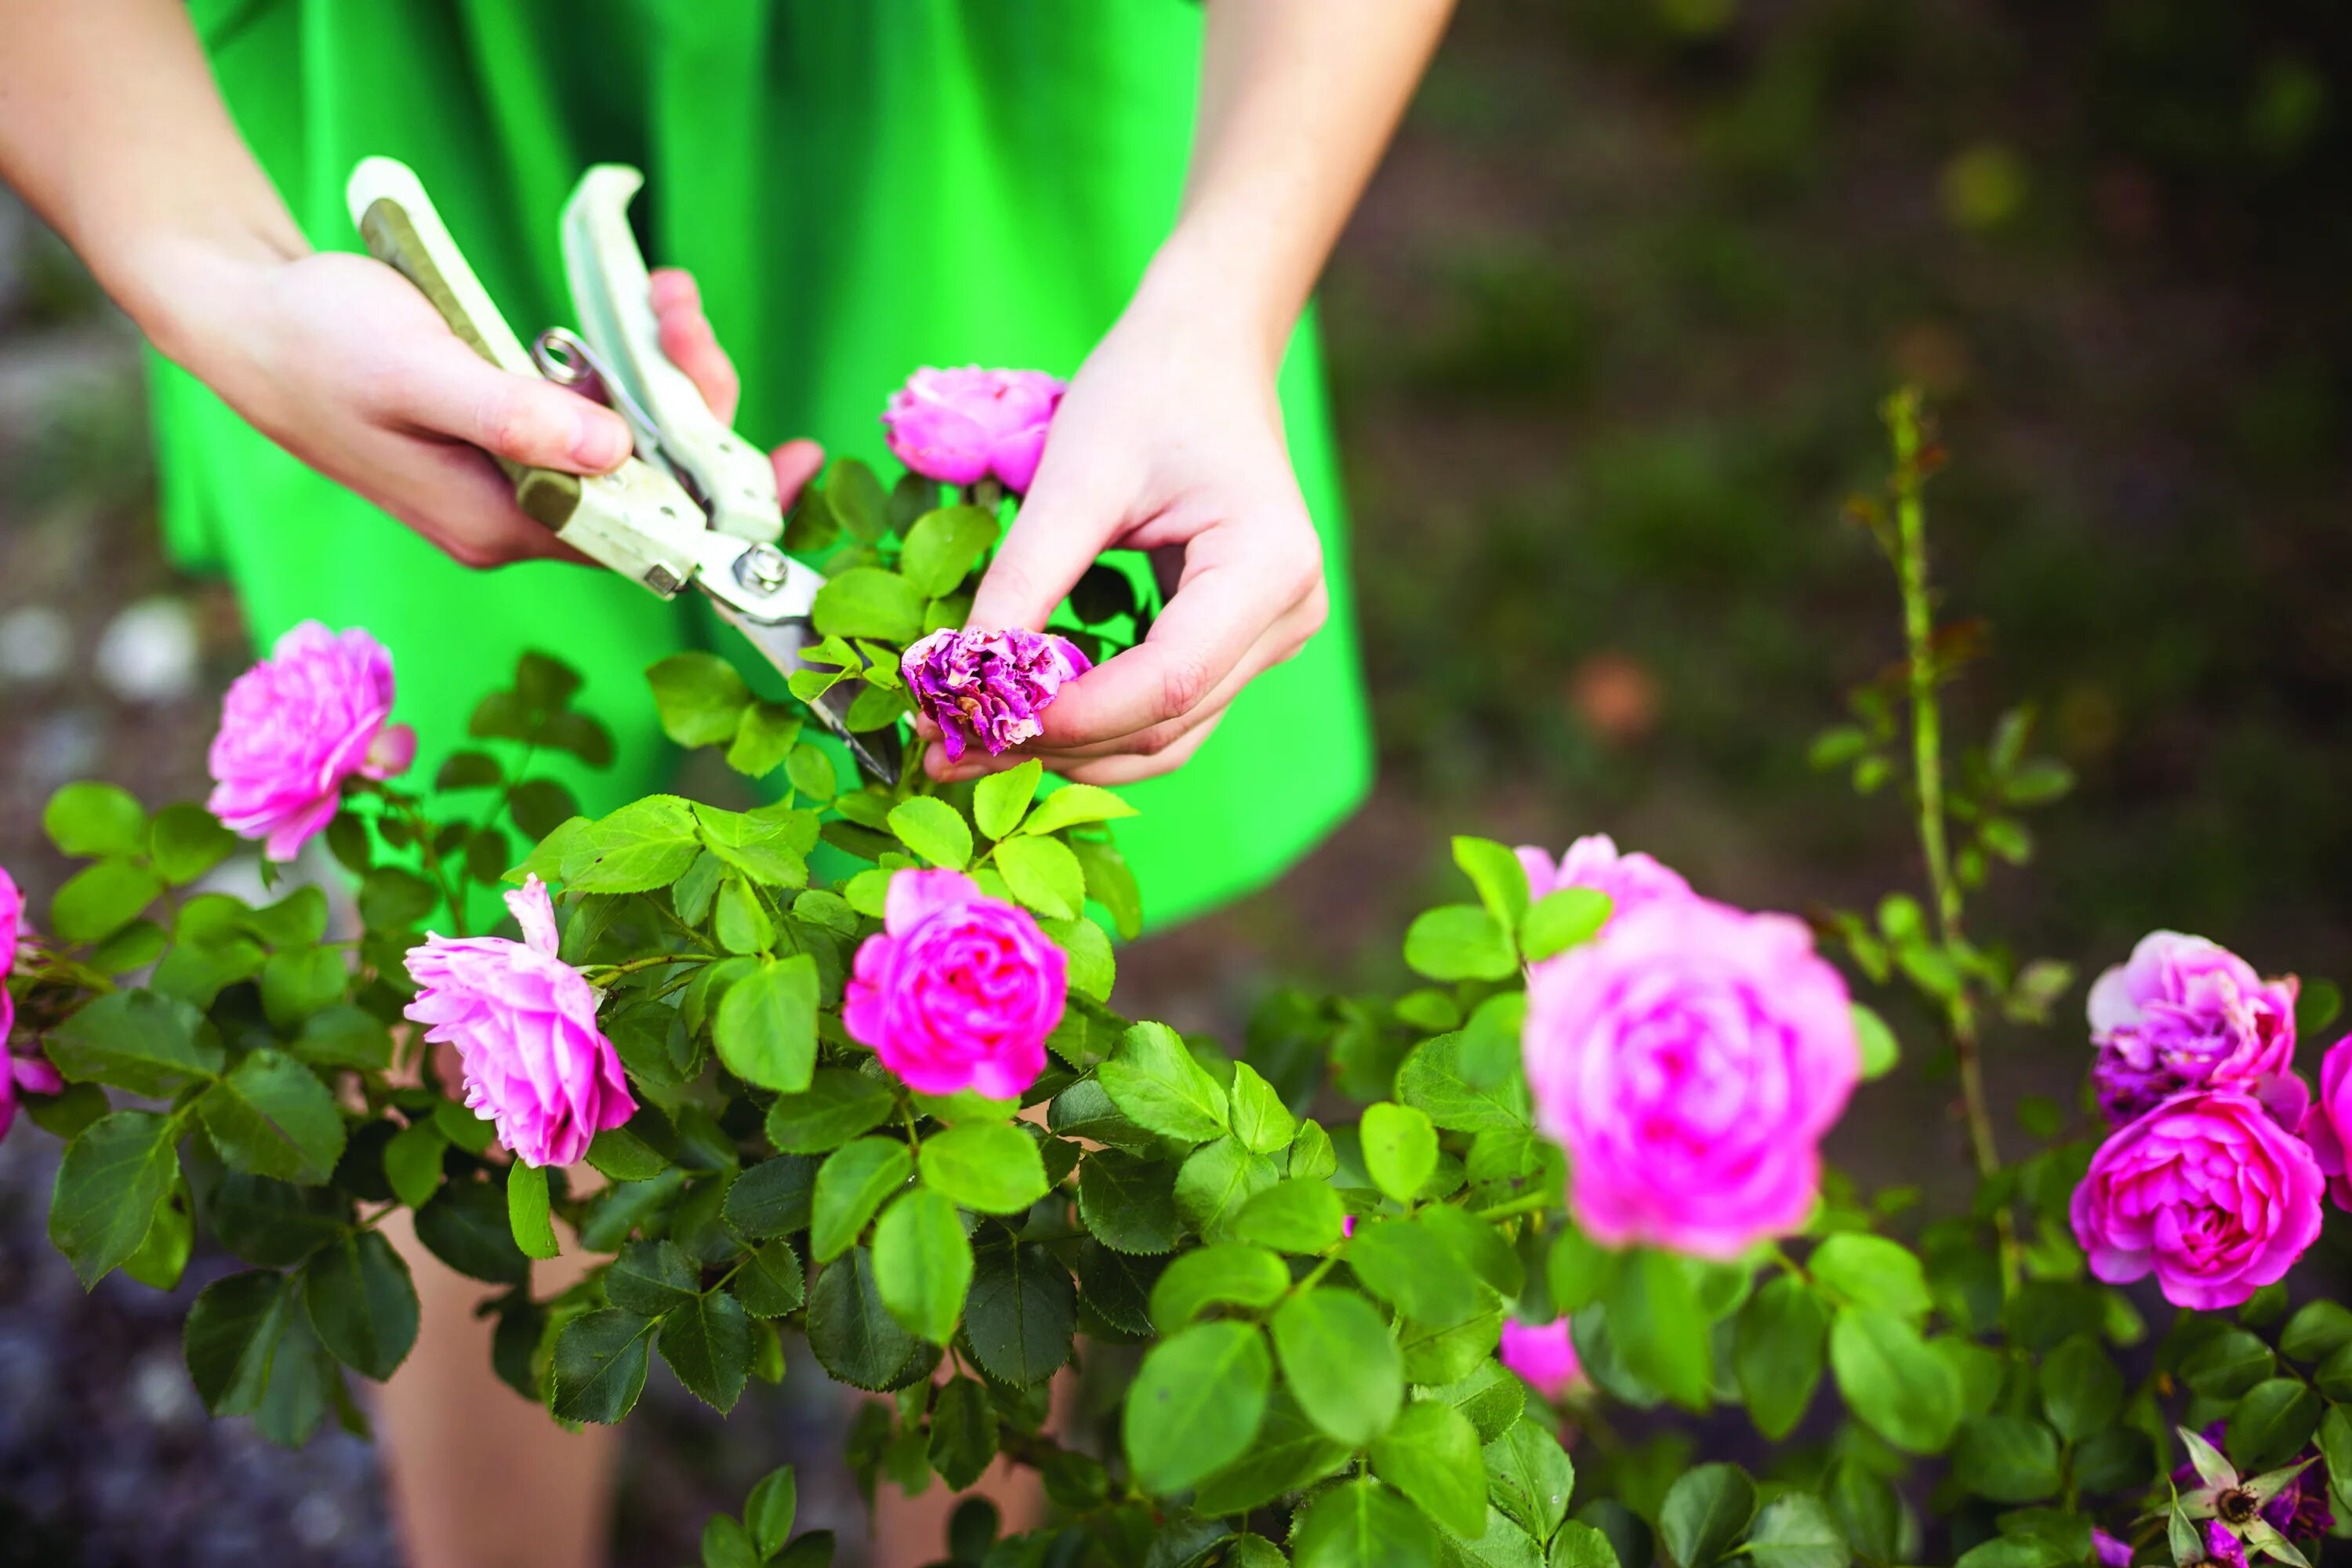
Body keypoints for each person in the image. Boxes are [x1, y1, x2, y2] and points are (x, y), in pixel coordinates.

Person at [0, 2, 1455, 1564]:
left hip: (973, 102)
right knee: (473, 987)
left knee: (1007, 976)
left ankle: (958, 1521)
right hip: (434, 71)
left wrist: (1222, 293)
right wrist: (220, 275)